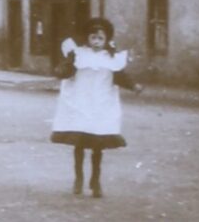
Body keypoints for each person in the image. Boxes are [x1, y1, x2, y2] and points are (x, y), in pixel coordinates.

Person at [50, 17, 143, 198]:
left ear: (106, 39)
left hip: (100, 104)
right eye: (93, 38)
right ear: (87, 38)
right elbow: (65, 71)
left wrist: (133, 86)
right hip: (80, 103)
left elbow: (120, 76)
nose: (97, 42)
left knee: (97, 146)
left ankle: (96, 181)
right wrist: (65, 66)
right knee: (79, 143)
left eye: (101, 38)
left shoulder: (111, 58)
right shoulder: (78, 54)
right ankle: (79, 179)